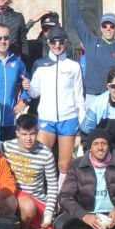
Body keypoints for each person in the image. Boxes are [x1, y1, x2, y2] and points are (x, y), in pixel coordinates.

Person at [29, 26, 85, 173]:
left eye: (61, 42)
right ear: (48, 42)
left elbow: (79, 97)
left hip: (68, 118)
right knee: (40, 163)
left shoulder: (74, 66)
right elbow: (34, 93)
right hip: (47, 119)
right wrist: (28, 87)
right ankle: (43, 195)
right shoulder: (39, 64)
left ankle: (63, 195)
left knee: (64, 166)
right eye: (54, 42)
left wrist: (82, 120)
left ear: (65, 42)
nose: (57, 46)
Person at [2, 113, 58, 229]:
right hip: (16, 194)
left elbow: (52, 186)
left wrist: (49, 213)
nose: (28, 138)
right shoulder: (6, 146)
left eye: (32, 134)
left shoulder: (46, 154)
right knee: (28, 206)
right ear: (17, 133)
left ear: (37, 132)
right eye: (24, 134)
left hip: (37, 198)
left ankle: (27, 224)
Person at [65, 0, 115, 103]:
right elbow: (76, 19)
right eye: (105, 25)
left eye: (112, 26)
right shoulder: (91, 41)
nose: (108, 28)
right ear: (101, 27)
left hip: (113, 97)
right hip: (92, 97)